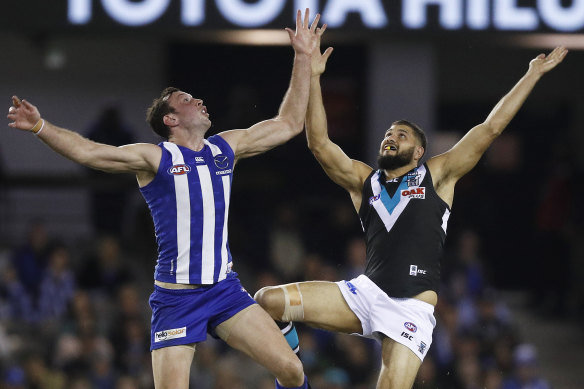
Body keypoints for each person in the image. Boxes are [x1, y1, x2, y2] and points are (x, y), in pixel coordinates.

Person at [7, 9, 323, 389]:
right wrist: (41, 126)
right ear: (171, 120)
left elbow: (289, 123)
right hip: (177, 301)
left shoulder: (225, 148)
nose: (199, 99)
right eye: (187, 99)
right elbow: (89, 153)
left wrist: (303, 57)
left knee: (292, 371)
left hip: (225, 291)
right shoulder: (155, 158)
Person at [255, 41, 568, 388]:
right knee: (269, 301)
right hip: (364, 294)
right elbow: (319, 144)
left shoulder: (438, 175)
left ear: (419, 151)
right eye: (388, 134)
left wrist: (532, 75)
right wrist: (313, 76)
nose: (391, 138)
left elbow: (490, 128)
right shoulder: (364, 181)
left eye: (401, 136)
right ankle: (295, 380)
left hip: (410, 309)